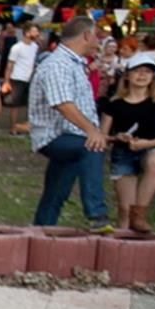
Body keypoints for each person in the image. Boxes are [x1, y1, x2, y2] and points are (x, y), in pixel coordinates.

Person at [29, 16, 113, 231]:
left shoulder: (74, 63)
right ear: (86, 35)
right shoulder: (58, 64)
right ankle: (97, 213)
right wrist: (92, 132)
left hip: (72, 135)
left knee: (55, 194)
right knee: (92, 147)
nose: (98, 41)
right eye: (96, 36)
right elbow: (62, 104)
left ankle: (41, 234)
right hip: (55, 135)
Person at [99, 51, 155, 233]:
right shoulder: (114, 103)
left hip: (151, 147)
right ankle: (122, 242)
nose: (142, 75)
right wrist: (117, 137)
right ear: (127, 75)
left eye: (147, 72)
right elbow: (103, 135)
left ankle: (141, 212)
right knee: (125, 209)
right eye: (137, 71)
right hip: (123, 152)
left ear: (153, 77)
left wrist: (147, 143)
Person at [3, 24, 41, 134]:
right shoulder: (17, 48)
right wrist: (6, 81)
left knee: (30, 104)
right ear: (27, 33)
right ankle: (13, 128)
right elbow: (10, 65)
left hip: (30, 78)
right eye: (34, 31)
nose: (37, 34)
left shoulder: (35, 46)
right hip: (17, 77)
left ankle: (27, 127)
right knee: (15, 105)